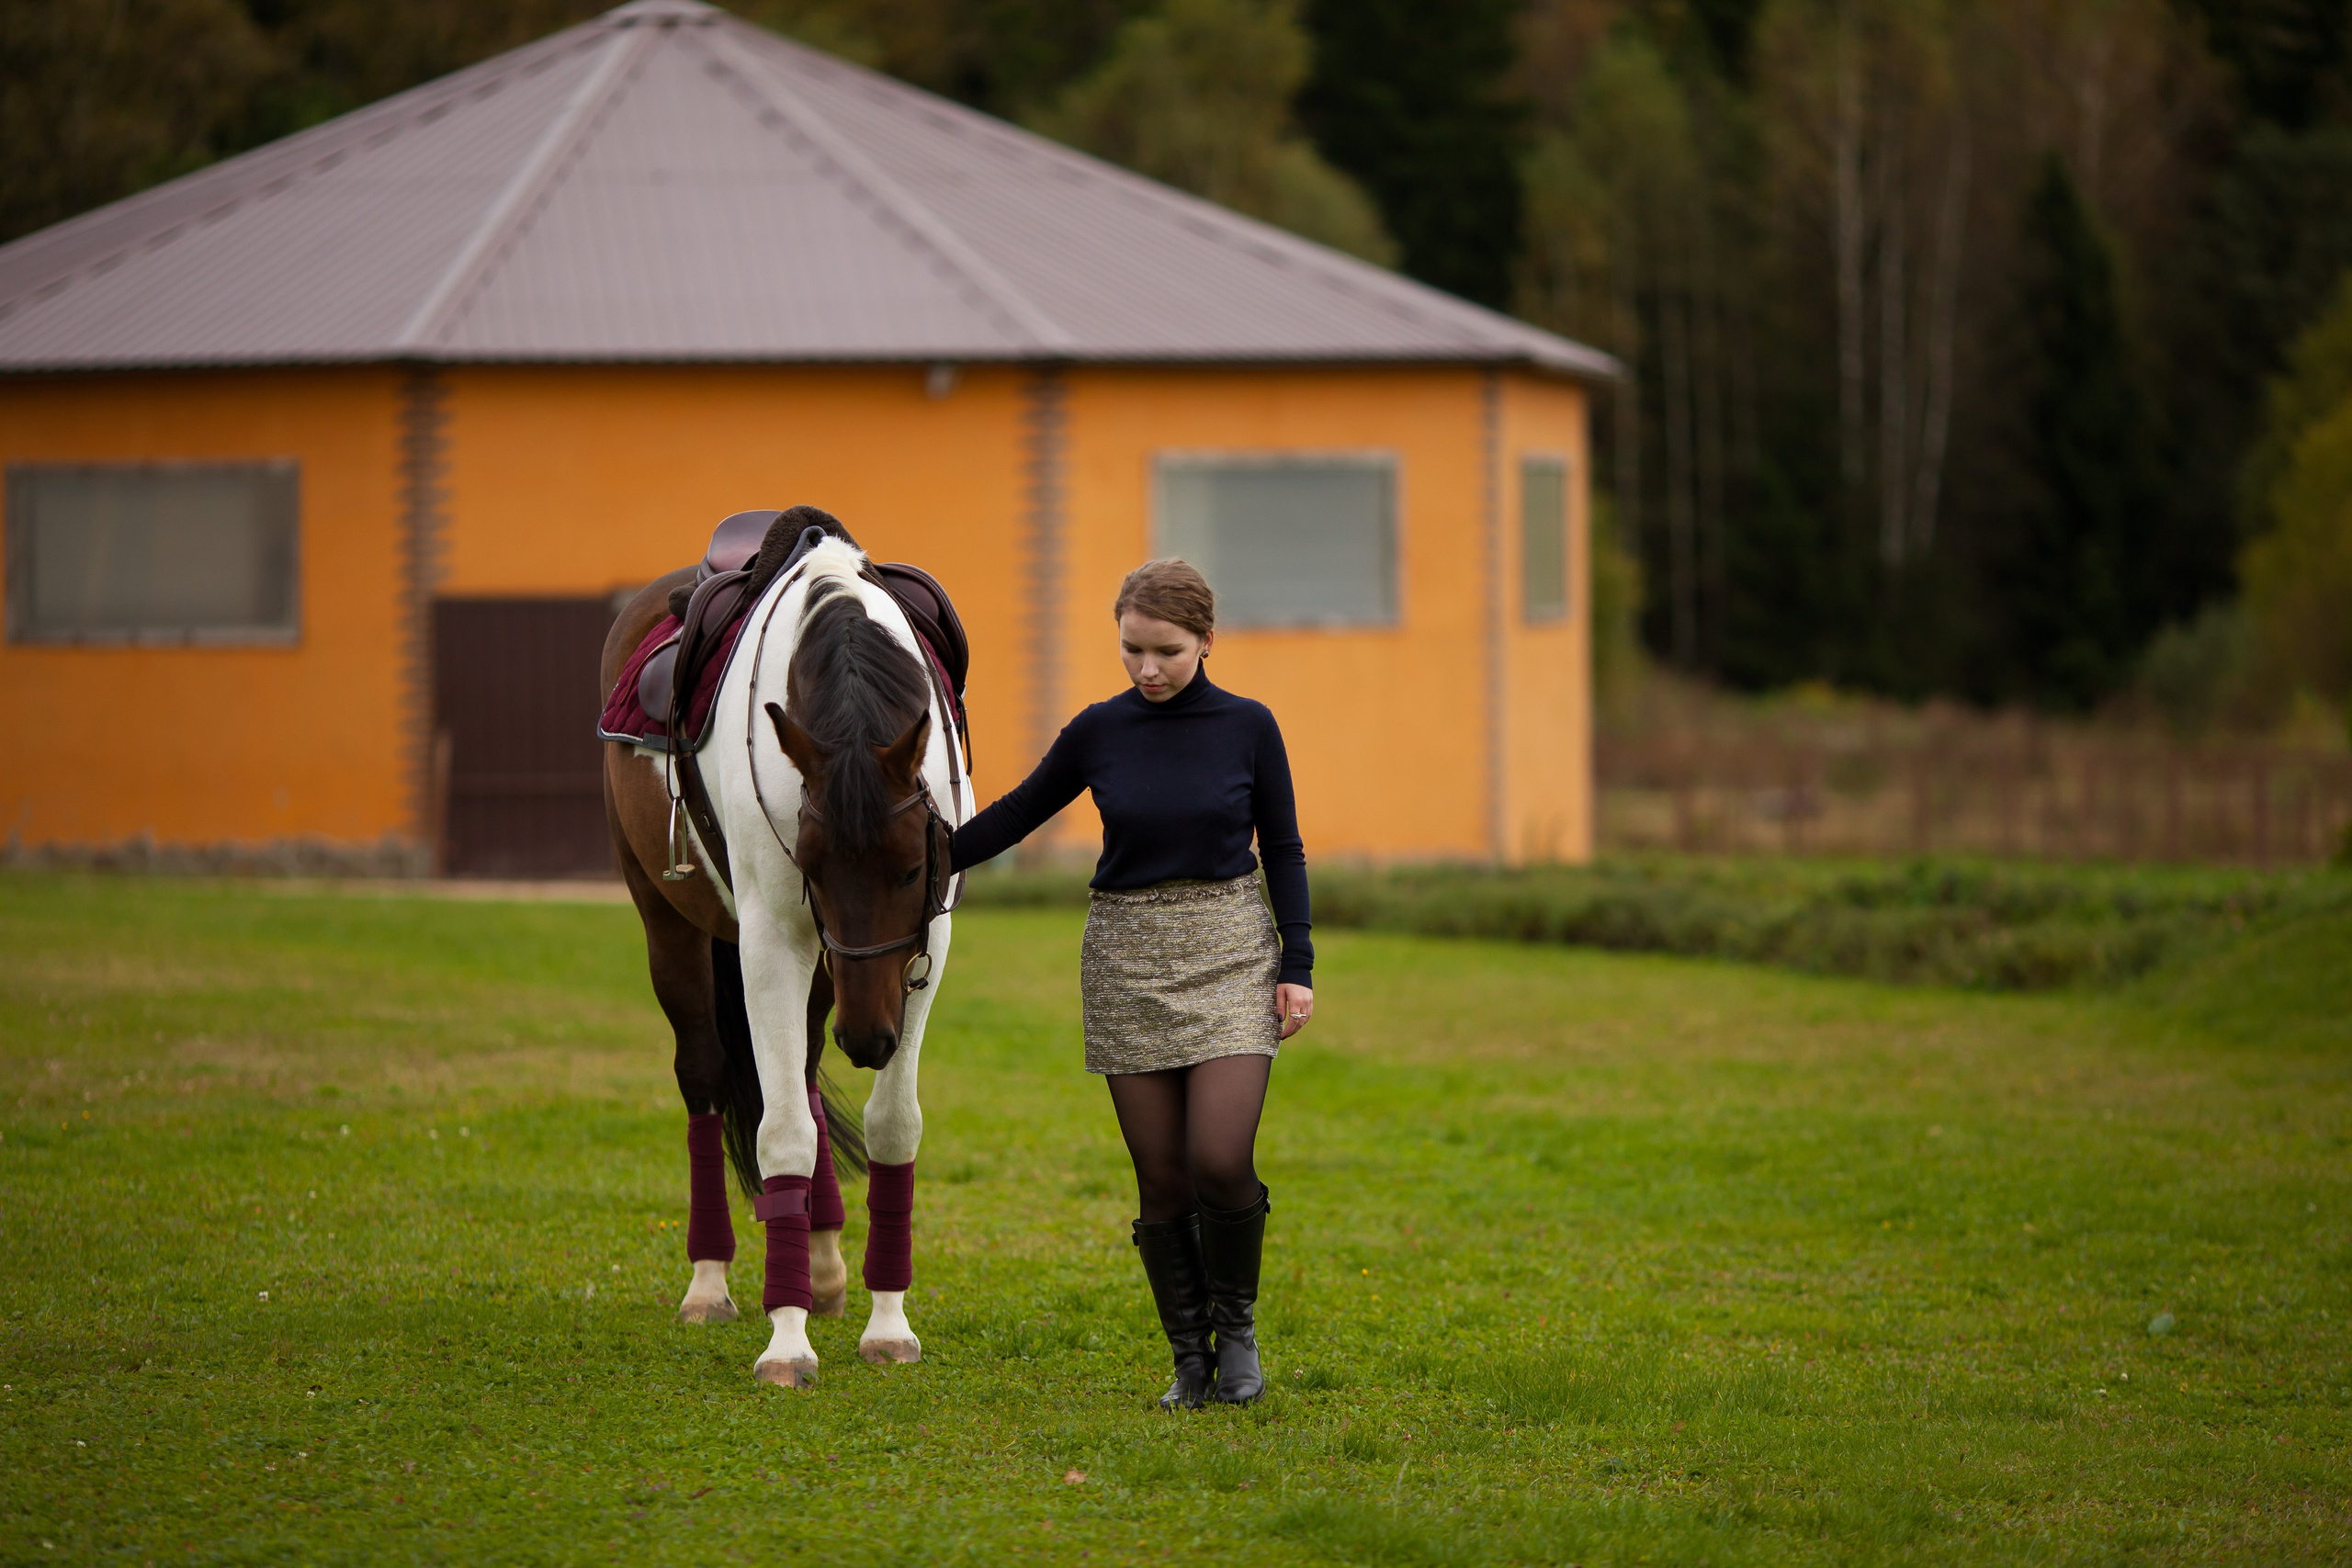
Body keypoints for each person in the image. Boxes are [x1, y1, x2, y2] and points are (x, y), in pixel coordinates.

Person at [949, 558, 1314, 1408]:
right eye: (1131, 650)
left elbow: (1285, 848)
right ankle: (1191, 1359)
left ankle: (1239, 1336)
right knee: (1161, 1178)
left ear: (1207, 643)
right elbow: (1017, 811)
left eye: (1166, 651)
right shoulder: (1099, 730)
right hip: (1125, 955)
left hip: (1229, 945)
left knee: (1220, 1158)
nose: (1147, 669)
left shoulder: (1250, 726)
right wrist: (922, 854)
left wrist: (1296, 965)